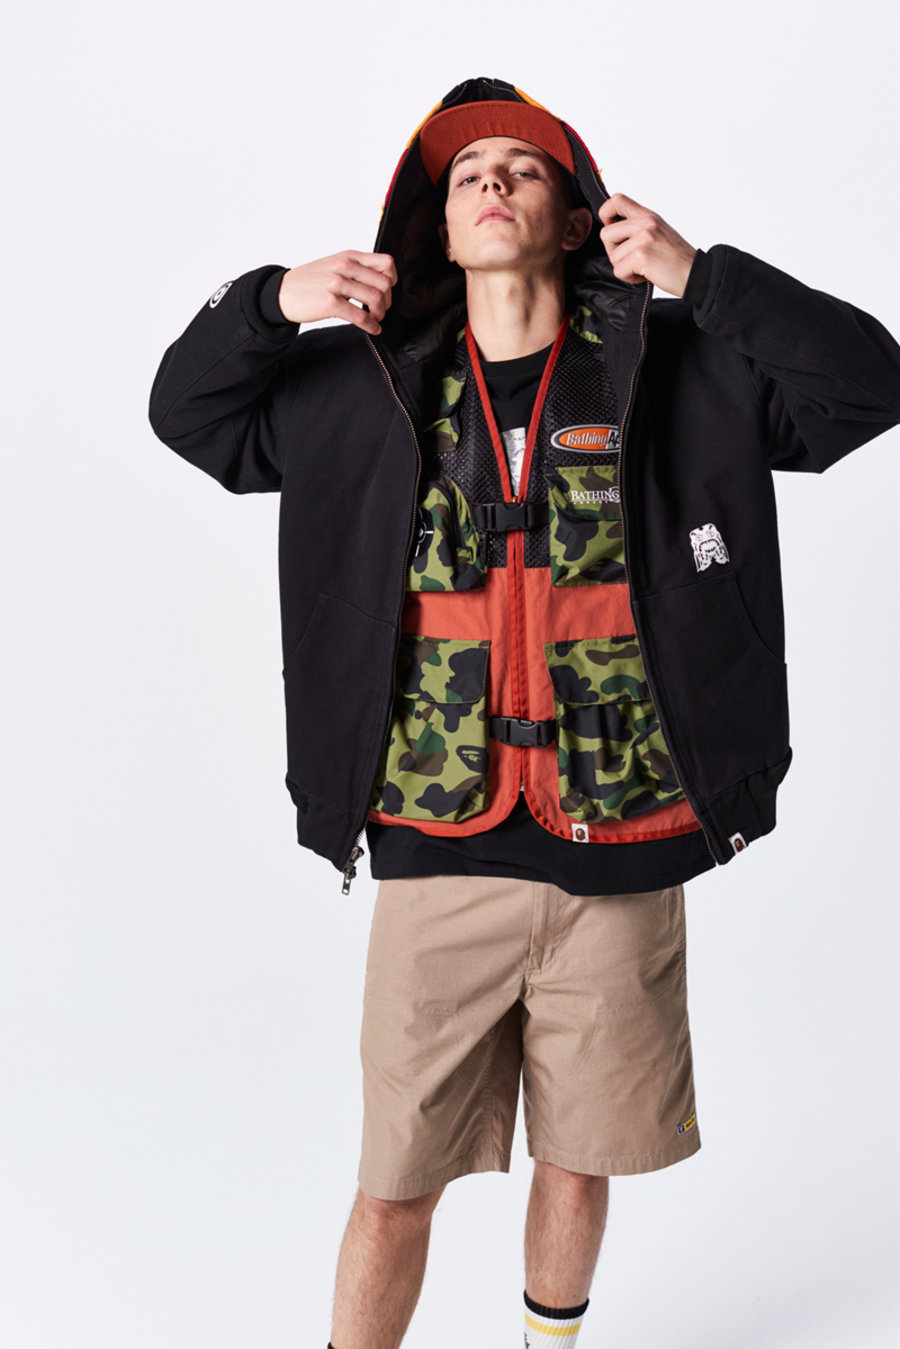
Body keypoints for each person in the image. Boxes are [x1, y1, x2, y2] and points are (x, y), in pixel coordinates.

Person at [148, 77, 900, 1349]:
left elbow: (869, 382)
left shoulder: (680, 365)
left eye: (525, 167)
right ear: (438, 229)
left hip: (623, 834)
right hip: (436, 844)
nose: (493, 182)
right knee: (394, 1183)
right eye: (466, 175)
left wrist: (705, 276)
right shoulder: (358, 387)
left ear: (575, 216)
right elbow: (188, 414)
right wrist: (270, 301)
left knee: (578, 1155)